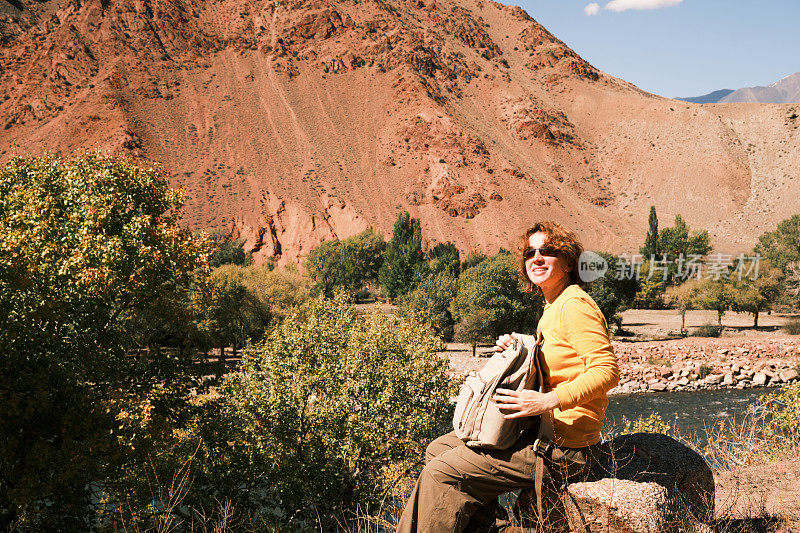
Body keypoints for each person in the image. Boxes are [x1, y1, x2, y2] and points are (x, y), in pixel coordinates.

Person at [396, 221, 619, 533]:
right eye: (530, 252)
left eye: (548, 251)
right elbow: (560, 356)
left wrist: (547, 400)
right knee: (439, 449)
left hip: (565, 446)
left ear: (569, 262)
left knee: (441, 474)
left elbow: (606, 371)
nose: (536, 258)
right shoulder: (555, 306)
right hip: (543, 431)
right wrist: (521, 345)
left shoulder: (575, 305)